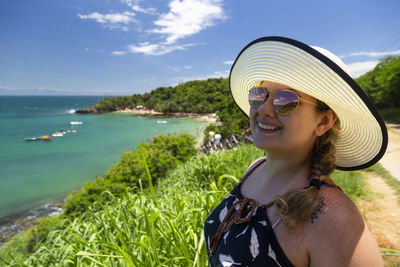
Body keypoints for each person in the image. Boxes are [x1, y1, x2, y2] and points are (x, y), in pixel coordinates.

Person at [204, 36, 388, 267]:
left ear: (323, 122)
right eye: (260, 94)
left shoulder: (334, 217)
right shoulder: (255, 169)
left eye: (286, 100)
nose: (264, 109)